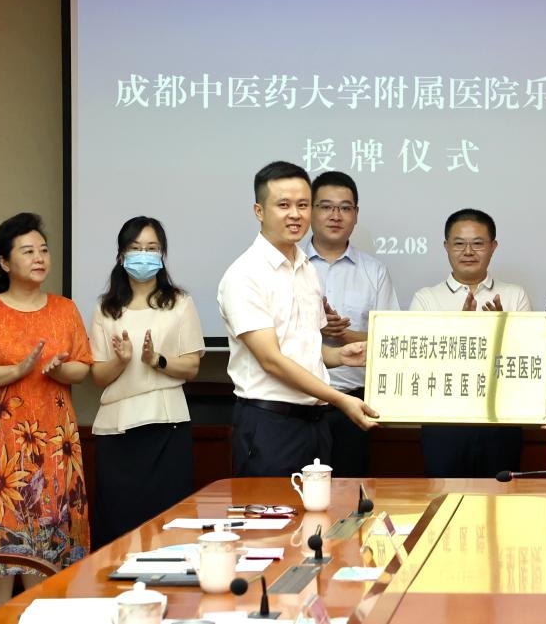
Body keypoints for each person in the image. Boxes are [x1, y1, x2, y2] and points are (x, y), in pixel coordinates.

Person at [0, 213, 92, 599]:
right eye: (28, 251)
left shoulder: (65, 309)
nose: (39, 258)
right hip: (2, 459)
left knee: (50, 575)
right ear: (4, 262)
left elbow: (83, 367)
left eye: (43, 250)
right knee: (0, 561)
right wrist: (16, 370)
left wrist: (60, 369)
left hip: (56, 452)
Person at [218, 161, 378, 477]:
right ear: (259, 211)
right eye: (284, 205)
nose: (295, 214)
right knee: (270, 511)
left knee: (321, 509)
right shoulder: (245, 275)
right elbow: (272, 360)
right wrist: (340, 399)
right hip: (269, 425)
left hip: (315, 424)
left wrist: (340, 356)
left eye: (303, 205)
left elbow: (304, 348)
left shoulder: (306, 269)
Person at [89, 217, 204, 546]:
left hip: (166, 425)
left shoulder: (179, 302)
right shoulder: (106, 308)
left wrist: (158, 360)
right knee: (118, 527)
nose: (144, 255)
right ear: (121, 255)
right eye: (136, 248)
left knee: (169, 526)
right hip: (117, 431)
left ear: (162, 254)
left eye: (152, 248)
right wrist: (122, 360)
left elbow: (192, 367)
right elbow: (98, 376)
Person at [409, 208, 531, 477]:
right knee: (444, 497)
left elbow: (526, 361)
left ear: (493, 247)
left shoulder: (514, 295)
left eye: (477, 243)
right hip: (443, 423)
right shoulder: (426, 299)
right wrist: (461, 332)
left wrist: (502, 332)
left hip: (501, 421)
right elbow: (418, 362)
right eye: (459, 244)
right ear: (446, 247)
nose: (468, 251)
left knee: (501, 499)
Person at [302, 171, 399, 477]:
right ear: (310, 211)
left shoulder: (374, 271)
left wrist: (344, 335)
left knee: (349, 492)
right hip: (298, 405)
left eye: (345, 208)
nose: (336, 215)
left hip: (352, 405)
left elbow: (391, 339)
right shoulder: (290, 266)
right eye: (326, 206)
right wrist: (317, 329)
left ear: (356, 214)